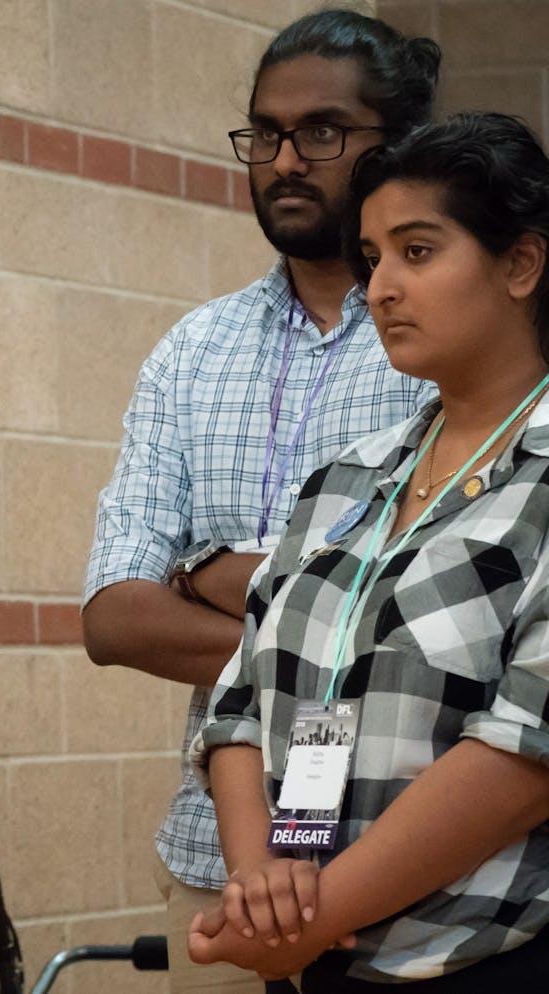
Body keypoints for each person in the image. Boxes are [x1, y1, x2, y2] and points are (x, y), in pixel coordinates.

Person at [81, 10, 439, 992]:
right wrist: (333, 638)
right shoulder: (191, 352)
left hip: (414, 881)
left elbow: (437, 622)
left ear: (391, 145)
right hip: (215, 879)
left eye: (320, 132)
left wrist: (213, 583)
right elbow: (112, 614)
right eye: (263, 135)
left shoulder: (442, 337)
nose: (283, 160)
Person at [190, 112, 549, 990]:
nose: (380, 287)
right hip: (314, 954)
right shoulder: (345, 483)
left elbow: (526, 755)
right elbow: (238, 704)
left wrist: (309, 918)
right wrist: (260, 890)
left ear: (520, 263)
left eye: (417, 252)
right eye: (373, 258)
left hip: (486, 963)